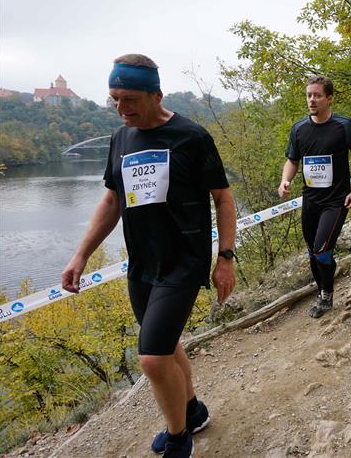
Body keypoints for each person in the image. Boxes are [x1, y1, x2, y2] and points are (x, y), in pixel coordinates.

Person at [61, 54, 236, 458]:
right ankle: (193, 412)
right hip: (142, 264)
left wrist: (225, 257)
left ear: (156, 95)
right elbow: (112, 200)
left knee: (153, 359)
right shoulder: (121, 139)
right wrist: (80, 255)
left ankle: (178, 438)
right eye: (114, 99)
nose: (120, 108)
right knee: (165, 345)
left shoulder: (192, 137)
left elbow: (224, 199)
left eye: (129, 99)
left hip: (184, 261)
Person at [278, 75, 351, 318]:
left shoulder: (344, 125)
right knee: (312, 252)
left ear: (329, 98)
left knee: (322, 251)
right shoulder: (299, 129)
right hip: (311, 200)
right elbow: (292, 160)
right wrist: (285, 180)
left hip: (336, 200)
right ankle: (322, 291)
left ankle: (327, 295)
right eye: (309, 95)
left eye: (317, 95)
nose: (312, 100)